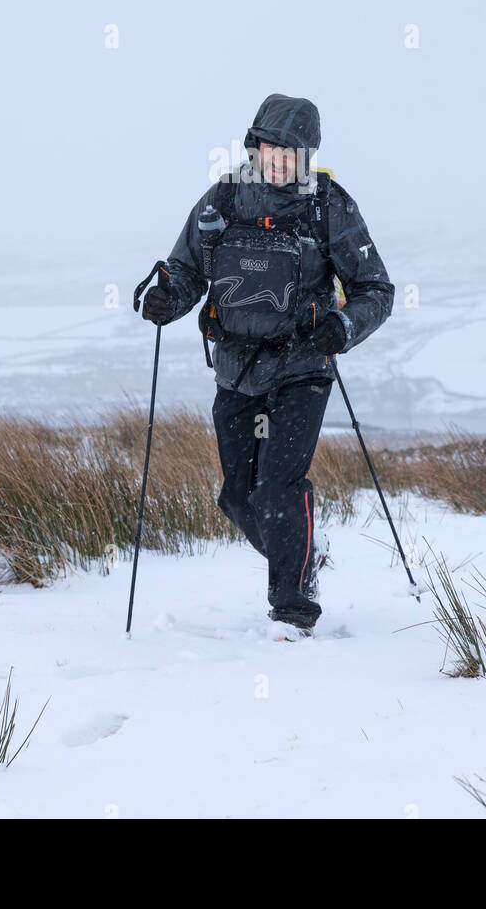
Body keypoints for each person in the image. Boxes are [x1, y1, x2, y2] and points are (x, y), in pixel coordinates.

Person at [140, 94, 394, 631]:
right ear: (254, 145)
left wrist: (342, 326)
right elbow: (187, 272)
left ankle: (293, 608)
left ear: (309, 155)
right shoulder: (224, 200)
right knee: (238, 497)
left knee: (279, 488)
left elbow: (375, 289)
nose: (279, 161)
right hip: (235, 369)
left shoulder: (329, 205)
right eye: (270, 148)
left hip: (303, 369)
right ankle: (306, 552)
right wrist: (166, 298)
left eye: (291, 153)